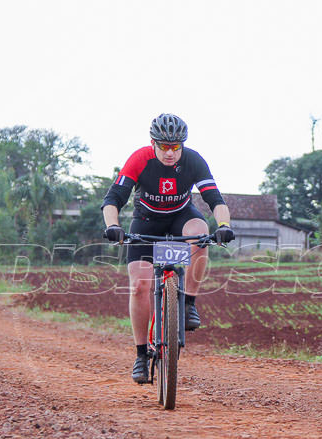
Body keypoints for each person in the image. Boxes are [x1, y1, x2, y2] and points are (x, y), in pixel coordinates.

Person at [101, 113, 235, 383]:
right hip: (146, 221)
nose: (170, 152)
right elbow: (113, 198)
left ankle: (188, 303)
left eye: (176, 146)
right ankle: (141, 354)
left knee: (200, 234)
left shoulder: (193, 160)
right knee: (140, 285)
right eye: (164, 146)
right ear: (153, 143)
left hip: (180, 217)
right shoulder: (140, 159)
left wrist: (223, 224)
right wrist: (113, 226)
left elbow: (215, 198)